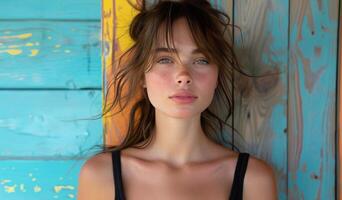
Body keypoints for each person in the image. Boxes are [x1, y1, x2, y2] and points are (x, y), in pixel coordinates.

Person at [77, 0, 277, 199]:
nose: (184, 75)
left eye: (201, 60)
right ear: (142, 76)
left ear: (217, 76)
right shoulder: (101, 176)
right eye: (165, 59)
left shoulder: (253, 179)